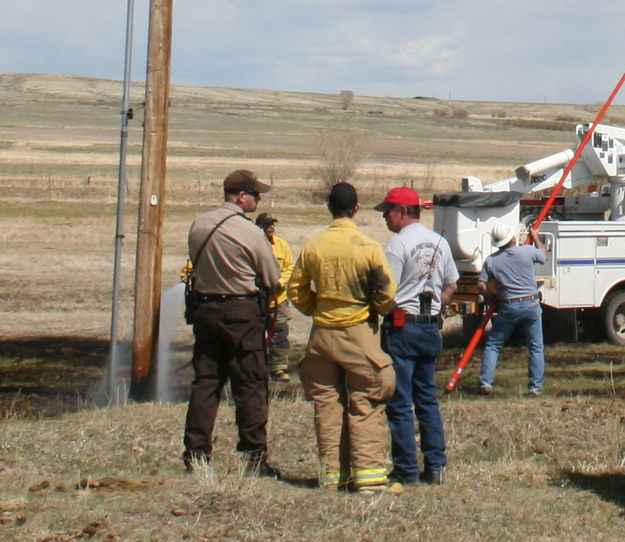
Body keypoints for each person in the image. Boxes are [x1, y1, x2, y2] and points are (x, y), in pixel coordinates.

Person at [287, 182, 398, 493]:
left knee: (326, 405)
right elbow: (387, 293)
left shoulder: (314, 246)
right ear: (357, 208)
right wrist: (375, 308)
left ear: (329, 208)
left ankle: (333, 477)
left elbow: (295, 290)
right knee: (366, 401)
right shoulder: (368, 246)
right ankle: (370, 478)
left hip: (321, 336)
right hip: (359, 334)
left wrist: (316, 308)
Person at [183, 169, 281, 477]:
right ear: (240, 196)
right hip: (242, 313)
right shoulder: (249, 232)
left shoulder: (199, 224)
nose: (258, 199)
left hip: (206, 310)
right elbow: (272, 277)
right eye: (255, 194)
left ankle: (196, 453)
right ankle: (254, 457)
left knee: (206, 383)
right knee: (250, 384)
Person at [375, 187, 459, 485]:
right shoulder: (440, 242)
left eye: (388, 211)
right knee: (427, 398)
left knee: (400, 400)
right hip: (430, 327)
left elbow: (388, 292)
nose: (385, 217)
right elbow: (451, 285)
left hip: (402, 327)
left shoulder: (397, 245)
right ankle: (435, 465)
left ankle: (407, 469)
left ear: (402, 212)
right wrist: (436, 306)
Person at [477, 222, 548, 396]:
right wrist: (536, 236)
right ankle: (535, 388)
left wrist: (491, 296)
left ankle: (486, 383)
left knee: (494, 345)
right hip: (531, 304)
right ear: (513, 237)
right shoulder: (527, 251)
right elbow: (544, 256)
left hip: (508, 305)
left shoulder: (492, 260)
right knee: (536, 347)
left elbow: (481, 284)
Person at [255, 212, 295, 382]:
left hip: (278, 299)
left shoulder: (282, 245)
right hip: (257, 300)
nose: (270, 228)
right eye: (266, 225)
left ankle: (278, 368)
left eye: (272, 224)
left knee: (280, 333)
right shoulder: (254, 245)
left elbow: (289, 267)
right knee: (255, 334)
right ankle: (257, 368)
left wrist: (279, 283)